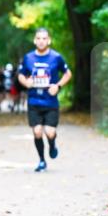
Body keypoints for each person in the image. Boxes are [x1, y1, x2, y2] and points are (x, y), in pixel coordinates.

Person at [17, 28, 72, 172]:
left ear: (49, 40)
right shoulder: (28, 58)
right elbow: (21, 75)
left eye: (44, 38)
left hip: (50, 102)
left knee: (50, 132)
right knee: (37, 132)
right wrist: (26, 82)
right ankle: (42, 160)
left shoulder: (56, 57)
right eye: (38, 38)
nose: (41, 41)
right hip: (34, 101)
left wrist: (58, 86)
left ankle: (52, 144)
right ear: (35, 41)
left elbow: (67, 73)